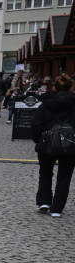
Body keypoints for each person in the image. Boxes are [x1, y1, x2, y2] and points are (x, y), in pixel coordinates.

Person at [31, 72, 75, 217]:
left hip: (47, 141)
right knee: (64, 176)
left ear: (54, 87)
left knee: (45, 172)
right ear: (71, 87)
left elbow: (37, 123)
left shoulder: (46, 103)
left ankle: (44, 201)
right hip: (70, 143)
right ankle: (56, 209)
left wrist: (37, 139)